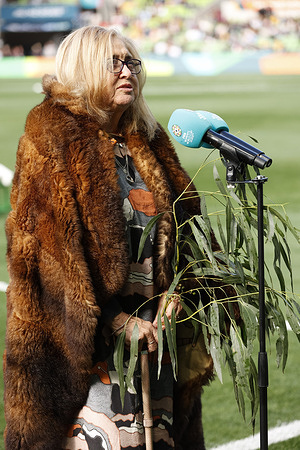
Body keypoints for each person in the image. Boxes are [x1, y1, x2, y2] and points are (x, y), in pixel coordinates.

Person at [4, 26, 215, 449]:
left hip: (158, 341)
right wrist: (116, 321)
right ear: (82, 69)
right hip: (85, 349)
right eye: (113, 62)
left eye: (132, 62)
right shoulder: (50, 139)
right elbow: (46, 260)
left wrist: (180, 294)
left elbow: (188, 235)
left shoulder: (148, 142)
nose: (127, 72)